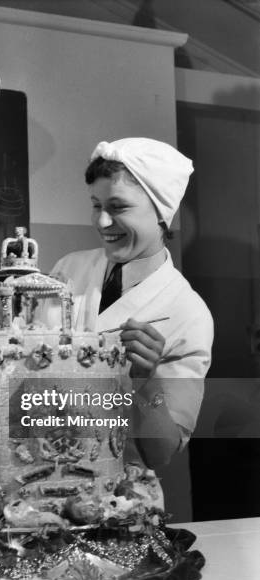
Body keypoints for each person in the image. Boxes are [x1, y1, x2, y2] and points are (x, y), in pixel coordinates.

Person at [48, 137, 213, 469]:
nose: (102, 222)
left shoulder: (188, 313)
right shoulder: (69, 270)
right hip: (43, 479)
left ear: (162, 215)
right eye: (97, 205)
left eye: (118, 207)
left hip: (121, 497)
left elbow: (161, 453)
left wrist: (146, 381)